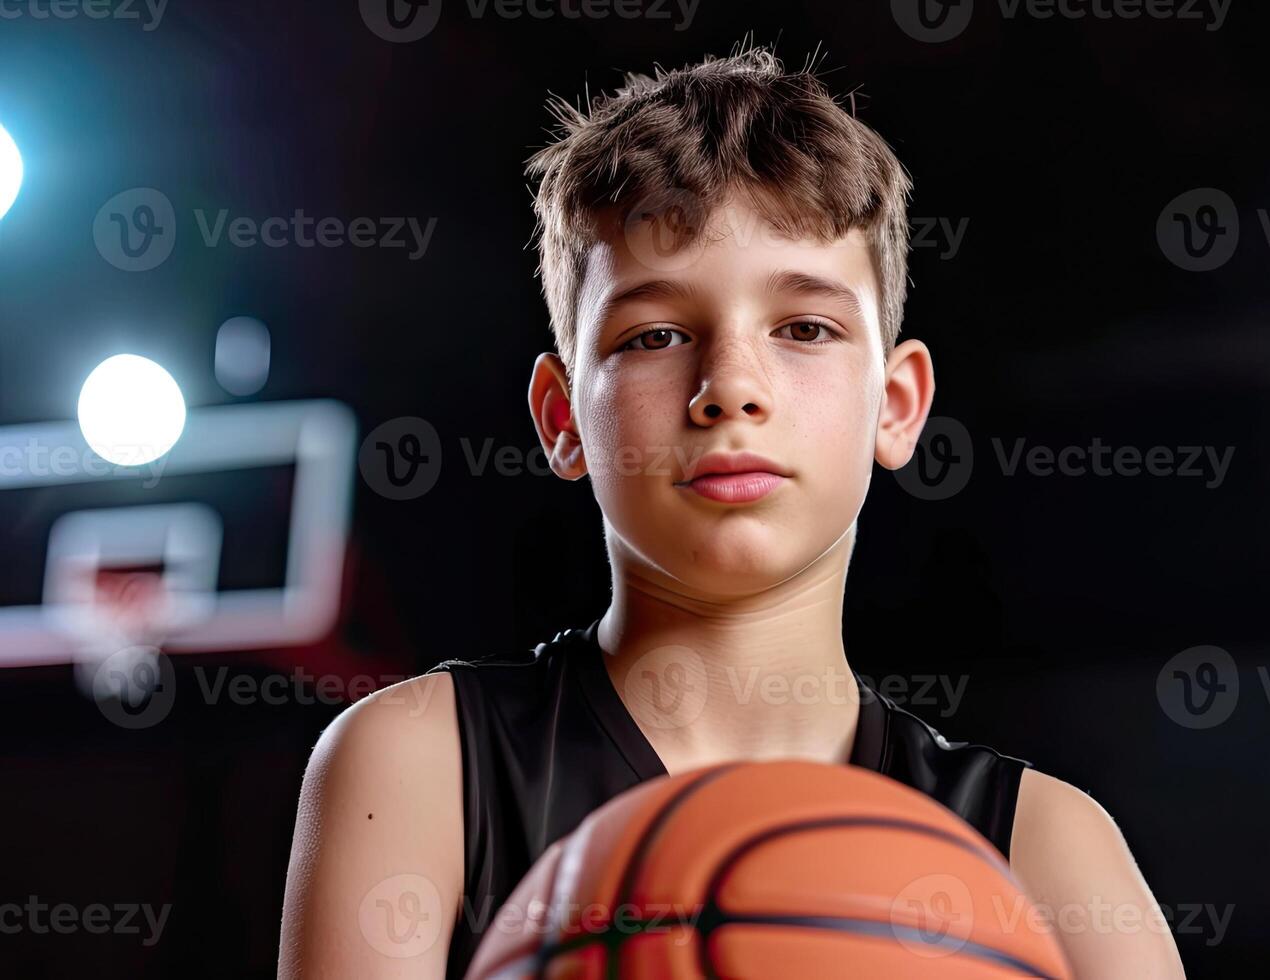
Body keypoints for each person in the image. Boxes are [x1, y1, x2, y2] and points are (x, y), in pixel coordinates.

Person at [277, 44, 1185, 980]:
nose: (729, 389)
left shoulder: (1048, 849)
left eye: (804, 328)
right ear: (561, 420)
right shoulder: (421, 766)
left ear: (897, 404)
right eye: (656, 334)